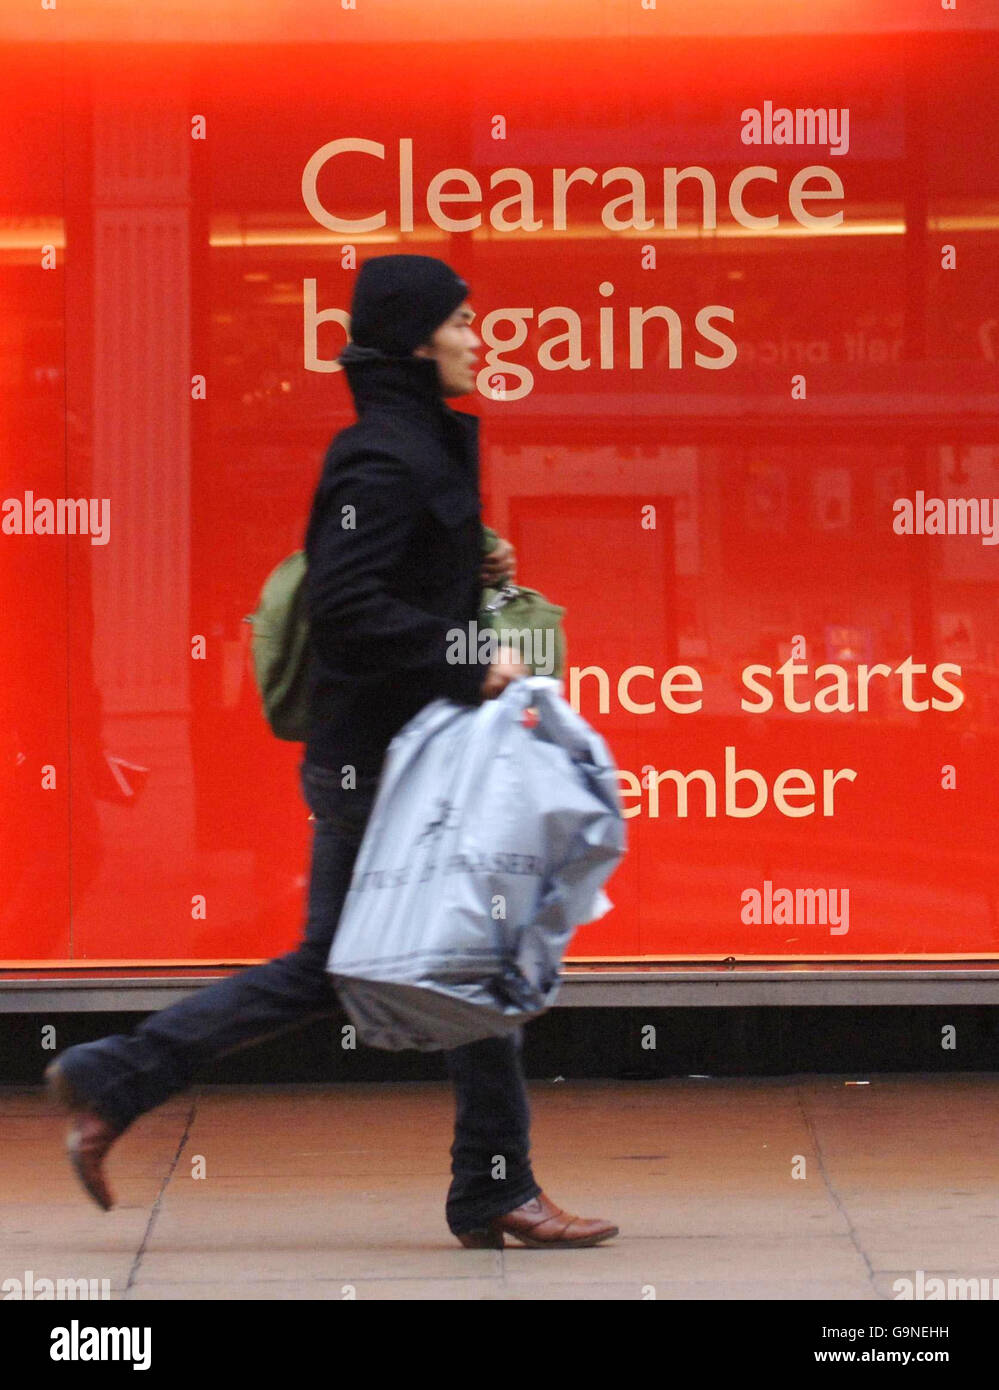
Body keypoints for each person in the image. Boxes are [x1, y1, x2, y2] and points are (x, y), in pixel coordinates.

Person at [46, 253, 618, 1250]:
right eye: (464, 322)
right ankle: (488, 1185)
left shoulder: (413, 444)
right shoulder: (386, 453)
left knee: (437, 952)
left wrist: (471, 562)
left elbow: (382, 573)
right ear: (416, 338)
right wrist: (468, 654)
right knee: (415, 956)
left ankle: (116, 1080)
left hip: (403, 751)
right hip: (386, 765)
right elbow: (347, 607)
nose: (478, 338)